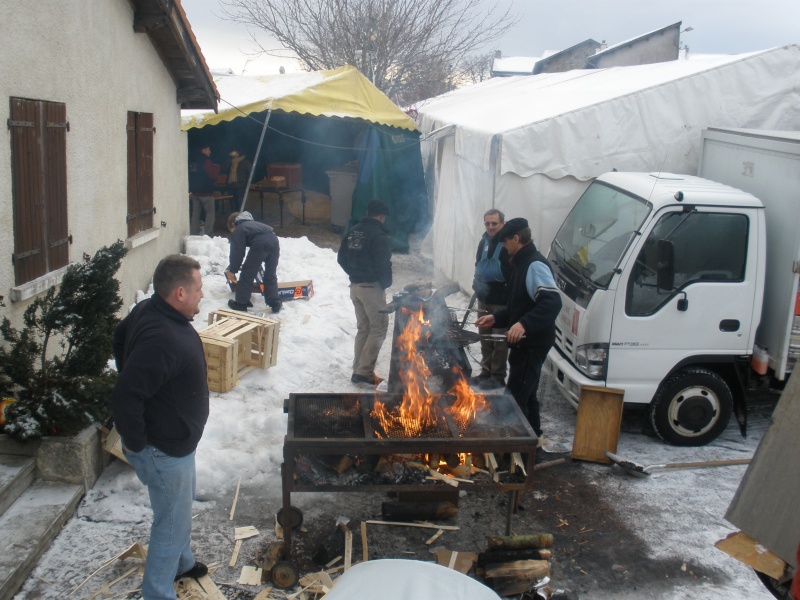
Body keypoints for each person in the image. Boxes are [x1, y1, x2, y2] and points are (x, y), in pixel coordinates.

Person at [111, 255, 210, 599]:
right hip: (163, 450)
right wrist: (138, 445)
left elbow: (120, 336)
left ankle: (182, 564)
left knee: (177, 511)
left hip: (176, 443)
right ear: (180, 293)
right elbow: (125, 396)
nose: (203, 294)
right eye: (198, 288)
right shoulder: (163, 338)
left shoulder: (149, 310)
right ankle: (157, 593)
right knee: (169, 523)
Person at [475, 218, 562, 438]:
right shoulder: (521, 263)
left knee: (515, 397)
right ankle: (534, 438)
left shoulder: (534, 264)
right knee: (528, 393)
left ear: (516, 238)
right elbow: (518, 307)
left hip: (533, 343)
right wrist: (496, 318)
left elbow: (551, 302)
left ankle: (517, 448)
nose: (503, 246)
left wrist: (524, 325)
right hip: (525, 342)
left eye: (505, 241)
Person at [337, 199, 392, 385]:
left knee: (364, 328)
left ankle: (358, 369)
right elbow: (383, 264)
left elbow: (341, 257)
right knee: (379, 328)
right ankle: (364, 372)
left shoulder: (353, 231)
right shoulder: (379, 235)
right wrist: (385, 283)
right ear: (382, 216)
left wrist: (354, 274)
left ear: (367, 212)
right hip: (371, 288)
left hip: (355, 288)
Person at [472, 209, 512, 390]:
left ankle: (497, 376)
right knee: (485, 338)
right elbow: (477, 264)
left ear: (502, 223)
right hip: (484, 298)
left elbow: (512, 273)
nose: (490, 227)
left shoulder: (507, 244)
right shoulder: (484, 242)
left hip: (501, 301)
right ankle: (485, 372)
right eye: (487, 223)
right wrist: (476, 284)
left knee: (499, 340)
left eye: (494, 223)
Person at [225, 211, 282, 313]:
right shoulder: (255, 225)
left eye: (231, 231)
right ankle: (275, 302)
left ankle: (241, 303)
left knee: (247, 273)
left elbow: (237, 252)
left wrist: (232, 270)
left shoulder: (239, 228)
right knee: (270, 274)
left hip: (260, 244)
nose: (233, 233)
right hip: (274, 240)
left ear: (233, 224)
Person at [188, 145, 220, 235]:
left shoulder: (193, 161)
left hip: (194, 192)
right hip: (206, 192)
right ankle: (208, 234)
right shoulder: (207, 162)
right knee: (210, 214)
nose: (210, 152)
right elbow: (213, 175)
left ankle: (193, 233)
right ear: (203, 150)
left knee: (195, 215)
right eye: (208, 149)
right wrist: (217, 167)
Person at [222, 148, 252, 213]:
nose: (233, 153)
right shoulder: (230, 161)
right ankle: (234, 217)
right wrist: (228, 157)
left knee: (240, 203)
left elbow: (250, 173)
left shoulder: (245, 162)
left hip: (240, 185)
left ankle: (240, 217)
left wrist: (245, 183)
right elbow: (224, 169)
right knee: (232, 204)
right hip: (231, 185)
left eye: (235, 151)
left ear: (238, 152)